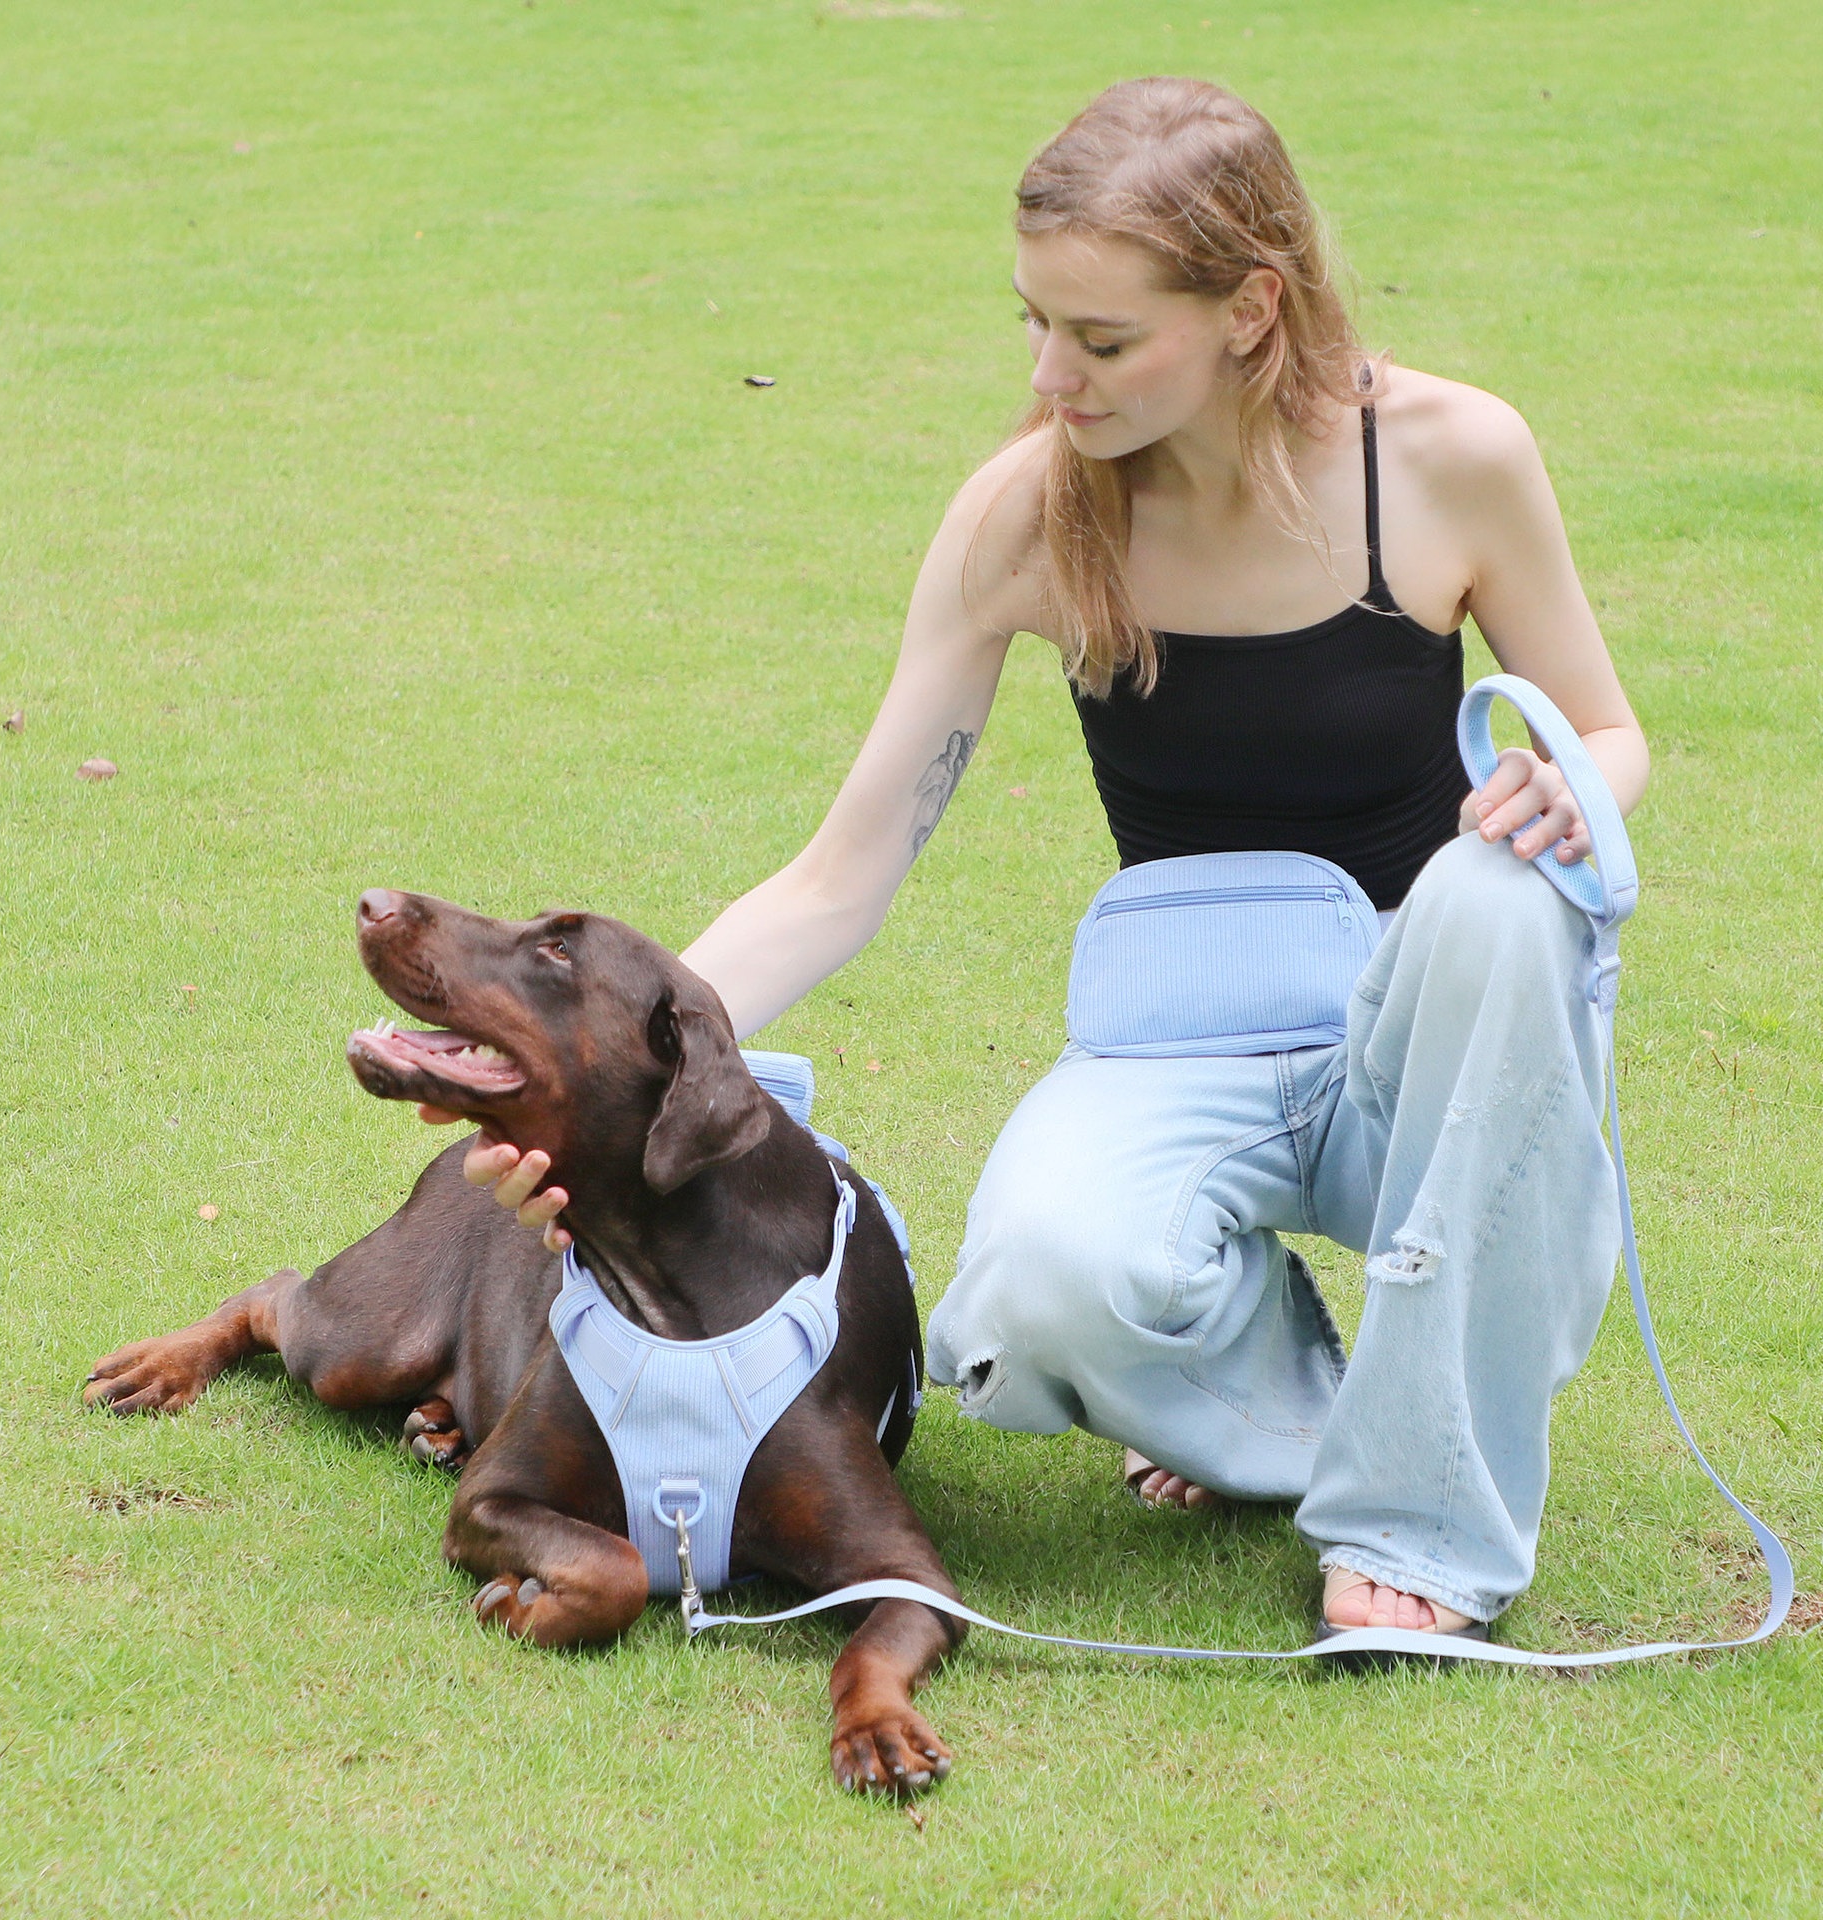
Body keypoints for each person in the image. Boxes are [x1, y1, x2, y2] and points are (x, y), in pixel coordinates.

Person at [426, 76, 1648, 1640]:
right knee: (1031, 1296)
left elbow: (1610, 732)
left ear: (1252, 307)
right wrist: (610, 1074)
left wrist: (1567, 791)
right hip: (1189, 1027)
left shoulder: (1444, 457)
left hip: (1442, 1038)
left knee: (1504, 896)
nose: (1051, 377)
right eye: (1036, 324)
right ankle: (1272, 1399)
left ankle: (1420, 1531)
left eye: (1104, 340)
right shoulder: (1024, 518)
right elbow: (840, 875)